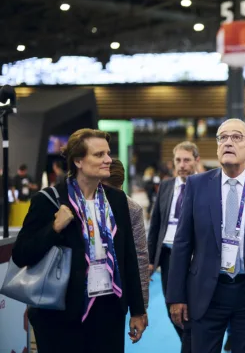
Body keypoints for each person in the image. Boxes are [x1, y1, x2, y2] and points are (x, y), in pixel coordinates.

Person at [11, 128, 146, 352]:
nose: (108, 160)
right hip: (61, 315)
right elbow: (22, 253)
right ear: (78, 161)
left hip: (109, 310)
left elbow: (129, 256)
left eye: (108, 153)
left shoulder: (117, 200)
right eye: (99, 155)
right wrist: (54, 228)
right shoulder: (49, 200)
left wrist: (138, 310)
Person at [166, 118, 245, 353]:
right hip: (207, 291)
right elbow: (183, 243)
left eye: (236, 137)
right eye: (222, 137)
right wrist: (176, 296)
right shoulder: (197, 185)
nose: (228, 142)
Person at [147, 141, 200, 345]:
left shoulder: (204, 185)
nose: (182, 165)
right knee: (173, 310)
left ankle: (192, 345)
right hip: (167, 255)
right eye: (178, 160)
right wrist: (151, 259)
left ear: (196, 161)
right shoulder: (166, 186)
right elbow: (155, 225)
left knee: (190, 309)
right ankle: (191, 343)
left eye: (187, 160)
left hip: (193, 257)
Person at [103, 159, 150, 311]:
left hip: (116, 291)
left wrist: (141, 307)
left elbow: (140, 256)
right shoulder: (83, 204)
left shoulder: (132, 209)